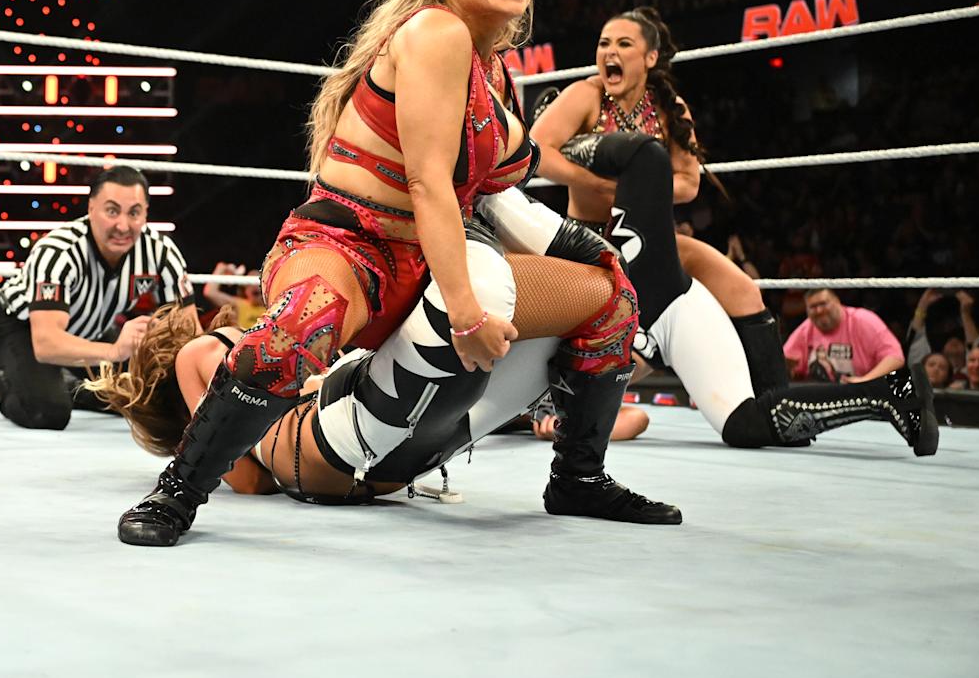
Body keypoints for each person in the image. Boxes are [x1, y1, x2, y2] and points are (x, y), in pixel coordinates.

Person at [117, 0, 673, 547]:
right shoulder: (435, 32)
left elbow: (520, 172)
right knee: (305, 321)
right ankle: (178, 492)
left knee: (609, 299)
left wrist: (618, 197)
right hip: (348, 246)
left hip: (421, 263)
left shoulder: (491, 76)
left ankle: (579, 476)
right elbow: (428, 180)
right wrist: (466, 315)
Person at [530, 7, 935, 454]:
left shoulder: (668, 109)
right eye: (604, 43)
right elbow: (536, 150)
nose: (610, 51)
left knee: (743, 290)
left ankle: (779, 408)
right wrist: (605, 185)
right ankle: (786, 414)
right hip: (592, 241)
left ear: (650, 57)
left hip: (651, 236)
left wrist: (639, 189)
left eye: (623, 44)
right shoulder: (584, 96)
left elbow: (689, 183)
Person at [93, 184, 648, 507]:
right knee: (579, 299)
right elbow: (240, 476)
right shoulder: (201, 354)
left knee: (600, 302)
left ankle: (577, 474)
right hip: (341, 430)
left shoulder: (218, 359)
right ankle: (463, 218)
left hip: (381, 460)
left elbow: (254, 482)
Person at [0, 165, 191, 430]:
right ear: (91, 208)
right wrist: (116, 351)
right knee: (48, 412)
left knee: (147, 400)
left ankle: (78, 389)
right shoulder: (59, 251)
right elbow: (46, 343)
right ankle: (10, 381)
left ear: (146, 213)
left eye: (134, 213)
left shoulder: (160, 252)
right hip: (21, 329)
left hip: (91, 330)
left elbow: (188, 330)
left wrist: (156, 343)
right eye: (112, 210)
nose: (123, 225)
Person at [784, 288, 907, 383]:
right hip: (818, 399)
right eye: (813, 307)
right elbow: (786, 361)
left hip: (862, 396)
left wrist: (865, 381)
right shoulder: (806, 329)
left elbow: (895, 357)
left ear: (837, 302)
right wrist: (788, 368)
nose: (819, 311)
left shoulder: (863, 320)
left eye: (823, 304)